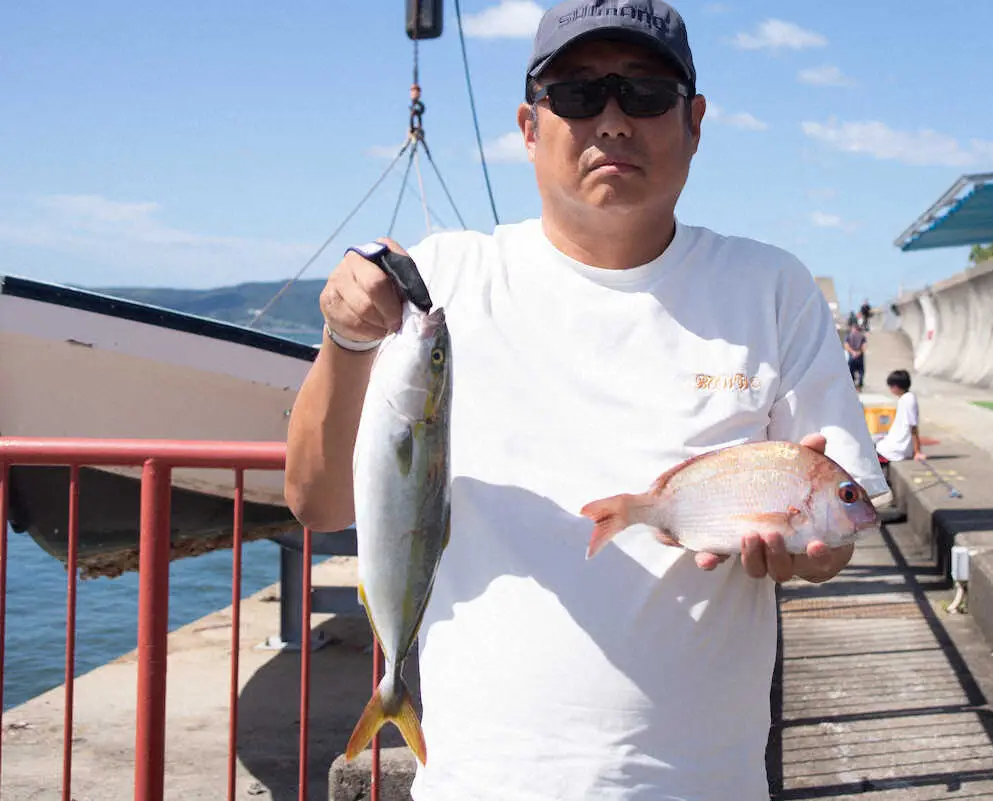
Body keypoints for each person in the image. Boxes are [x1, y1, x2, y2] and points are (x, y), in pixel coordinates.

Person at [283, 2, 887, 798]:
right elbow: (318, 500)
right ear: (530, 126)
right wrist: (346, 338)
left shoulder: (771, 290)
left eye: (644, 94)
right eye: (576, 95)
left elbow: (838, 528)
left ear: (694, 122)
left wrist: (808, 555)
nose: (612, 121)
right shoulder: (440, 287)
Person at [875, 369, 925, 463]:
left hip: (897, 450)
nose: (890, 390)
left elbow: (913, 426)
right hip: (896, 447)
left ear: (896, 387)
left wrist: (917, 451)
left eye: (891, 387)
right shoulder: (905, 398)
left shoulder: (908, 400)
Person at [844, 320, 866, 390]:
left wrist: (853, 353)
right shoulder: (862, 337)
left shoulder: (849, 336)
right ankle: (859, 385)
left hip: (851, 357)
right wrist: (858, 353)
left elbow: (846, 346)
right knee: (861, 371)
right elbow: (864, 347)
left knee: (851, 371)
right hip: (860, 357)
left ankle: (852, 385)